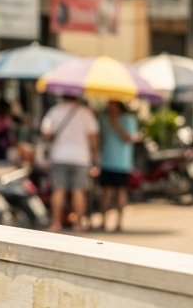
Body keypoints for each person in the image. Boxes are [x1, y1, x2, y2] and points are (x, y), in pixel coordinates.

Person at [39, 93, 100, 232]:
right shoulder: (85, 113)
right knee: (78, 191)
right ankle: (78, 224)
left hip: (59, 156)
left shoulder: (54, 111)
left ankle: (55, 223)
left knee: (58, 190)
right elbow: (93, 137)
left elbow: (45, 132)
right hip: (81, 157)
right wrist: (95, 157)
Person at [96, 99, 139, 232]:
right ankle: (103, 221)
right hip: (105, 161)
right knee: (105, 192)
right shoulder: (103, 119)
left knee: (121, 192)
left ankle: (119, 222)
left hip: (121, 163)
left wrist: (116, 125)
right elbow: (99, 139)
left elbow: (129, 139)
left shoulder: (128, 120)